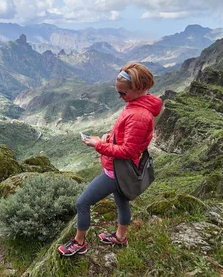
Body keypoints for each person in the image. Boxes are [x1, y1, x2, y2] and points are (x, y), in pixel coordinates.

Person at [58, 62, 163, 256]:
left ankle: (79, 242)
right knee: (121, 202)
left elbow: (129, 151)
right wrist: (110, 137)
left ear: (139, 88)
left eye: (123, 93)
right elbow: (127, 137)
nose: (120, 97)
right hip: (122, 169)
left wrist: (98, 144)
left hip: (116, 171)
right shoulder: (136, 105)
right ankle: (120, 237)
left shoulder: (139, 114)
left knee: (82, 202)